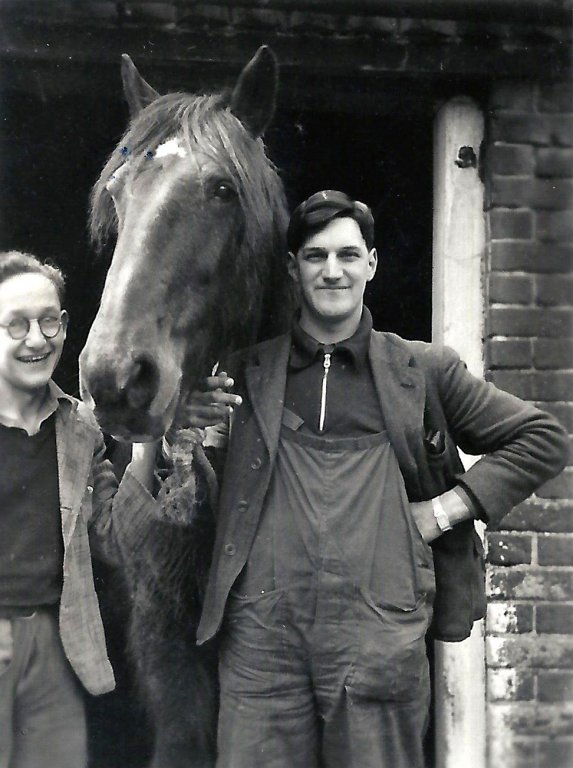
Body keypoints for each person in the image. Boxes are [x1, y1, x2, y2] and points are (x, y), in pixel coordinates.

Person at [187, 191, 568, 768]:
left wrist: (444, 510)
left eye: (347, 254)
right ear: (293, 269)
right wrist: (181, 426)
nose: (332, 270)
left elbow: (543, 438)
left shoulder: (422, 370)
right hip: (262, 643)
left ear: (372, 263)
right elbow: (187, 484)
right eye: (315, 256)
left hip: (377, 639)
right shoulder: (241, 373)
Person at [0, 251, 159, 768]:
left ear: (65, 326)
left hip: (57, 647)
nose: (36, 339)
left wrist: (147, 440)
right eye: (16, 324)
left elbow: (114, 539)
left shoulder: (81, 429)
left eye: (48, 321)